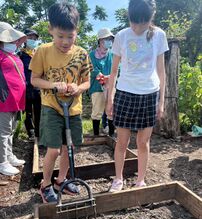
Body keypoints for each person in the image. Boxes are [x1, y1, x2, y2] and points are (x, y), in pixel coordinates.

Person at [29, 2, 92, 203]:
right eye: (60, 36)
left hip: (73, 108)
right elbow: (34, 80)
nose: (65, 41)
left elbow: (87, 82)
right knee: (54, 149)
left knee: (69, 148)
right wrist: (53, 85)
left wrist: (77, 88)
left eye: (70, 36)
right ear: (50, 30)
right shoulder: (43, 51)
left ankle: (61, 181)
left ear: (77, 31)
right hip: (51, 106)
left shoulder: (82, 54)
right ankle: (45, 184)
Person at [106, 0, 169, 192]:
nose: (137, 27)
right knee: (122, 141)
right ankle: (118, 179)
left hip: (149, 94)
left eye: (142, 23)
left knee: (143, 142)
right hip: (125, 93)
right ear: (129, 16)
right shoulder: (122, 36)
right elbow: (114, 70)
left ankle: (141, 179)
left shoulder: (159, 35)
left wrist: (161, 102)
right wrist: (109, 99)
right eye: (134, 22)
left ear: (150, 19)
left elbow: (161, 71)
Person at [0, 22, 26, 176]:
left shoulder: (11, 55)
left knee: (10, 130)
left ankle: (8, 156)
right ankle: (2, 162)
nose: (14, 43)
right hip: (4, 100)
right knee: (3, 132)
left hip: (16, 100)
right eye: (10, 40)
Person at [89, 28, 115, 137]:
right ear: (100, 40)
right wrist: (100, 76)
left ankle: (111, 134)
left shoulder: (113, 54)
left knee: (111, 110)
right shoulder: (91, 55)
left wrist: (111, 77)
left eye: (110, 39)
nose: (109, 41)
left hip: (111, 86)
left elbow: (119, 68)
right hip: (97, 87)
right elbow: (91, 68)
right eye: (106, 39)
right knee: (97, 111)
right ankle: (96, 135)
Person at [18, 29, 41, 140]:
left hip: (38, 88)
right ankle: (31, 132)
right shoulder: (20, 55)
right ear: (25, 39)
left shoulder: (39, 54)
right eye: (30, 37)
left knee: (39, 110)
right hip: (25, 88)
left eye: (34, 38)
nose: (32, 40)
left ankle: (38, 132)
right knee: (27, 112)